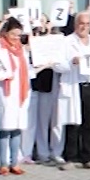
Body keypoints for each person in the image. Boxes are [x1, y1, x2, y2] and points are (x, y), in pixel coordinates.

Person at [54, 12, 90, 170]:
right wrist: (71, 63)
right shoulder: (66, 42)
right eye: (81, 23)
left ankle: (88, 157)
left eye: (87, 24)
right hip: (73, 85)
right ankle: (70, 157)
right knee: (72, 123)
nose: (84, 27)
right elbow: (57, 64)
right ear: (76, 24)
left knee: (89, 123)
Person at [0, 17, 31, 175]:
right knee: (5, 128)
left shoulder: (22, 51)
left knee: (17, 128)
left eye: (19, 35)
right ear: (6, 33)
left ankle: (15, 162)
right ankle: (3, 163)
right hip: (5, 92)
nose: (16, 38)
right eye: (13, 34)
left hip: (20, 93)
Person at [27, 22, 60, 164]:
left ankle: (51, 151)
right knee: (37, 121)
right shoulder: (29, 43)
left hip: (49, 83)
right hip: (34, 84)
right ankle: (41, 151)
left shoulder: (54, 41)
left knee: (49, 120)